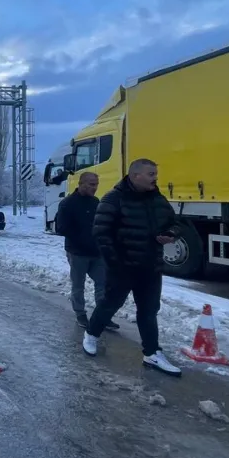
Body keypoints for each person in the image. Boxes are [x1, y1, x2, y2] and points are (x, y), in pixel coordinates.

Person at [82, 159, 183, 377]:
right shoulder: (114, 199)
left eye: (156, 173)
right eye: (150, 173)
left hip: (150, 268)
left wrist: (171, 234)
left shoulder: (157, 199)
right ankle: (91, 334)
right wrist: (115, 263)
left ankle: (152, 353)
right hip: (122, 267)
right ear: (135, 175)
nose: (155, 177)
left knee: (148, 311)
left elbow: (175, 223)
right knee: (110, 304)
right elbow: (101, 233)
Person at [55, 172, 118, 331]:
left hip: (97, 253)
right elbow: (60, 228)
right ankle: (80, 314)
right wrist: (81, 236)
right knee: (78, 285)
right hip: (77, 253)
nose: (94, 187)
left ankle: (102, 316)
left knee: (103, 284)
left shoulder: (96, 202)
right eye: (91, 184)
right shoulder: (68, 203)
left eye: (96, 184)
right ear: (81, 183)